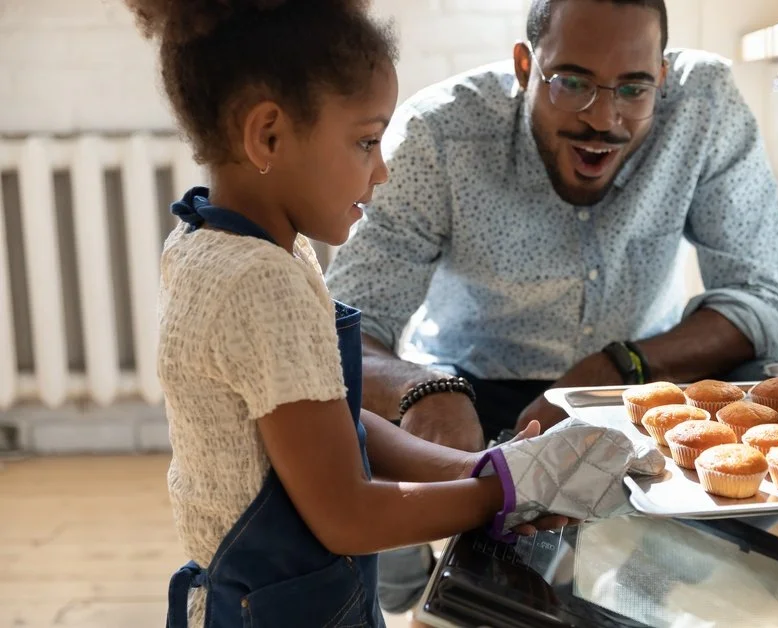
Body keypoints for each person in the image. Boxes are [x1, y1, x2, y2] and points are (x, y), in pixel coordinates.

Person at [129, 1, 659, 625]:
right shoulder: (262, 282)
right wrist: (504, 493)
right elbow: (346, 515)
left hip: (289, 595)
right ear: (268, 135)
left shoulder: (215, 242)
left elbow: (330, 417)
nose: (381, 171)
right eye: (365, 141)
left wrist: (479, 467)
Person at [324, 0, 778, 612]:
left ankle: (642, 585)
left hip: (635, 383)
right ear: (526, 66)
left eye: (633, 88)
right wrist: (427, 389)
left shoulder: (703, 105)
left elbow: (765, 300)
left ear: (661, 74)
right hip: (469, 384)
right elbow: (341, 327)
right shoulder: (438, 134)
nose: (603, 119)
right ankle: (413, 574)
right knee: (348, 422)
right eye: (572, 82)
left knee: (775, 385)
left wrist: (617, 365)